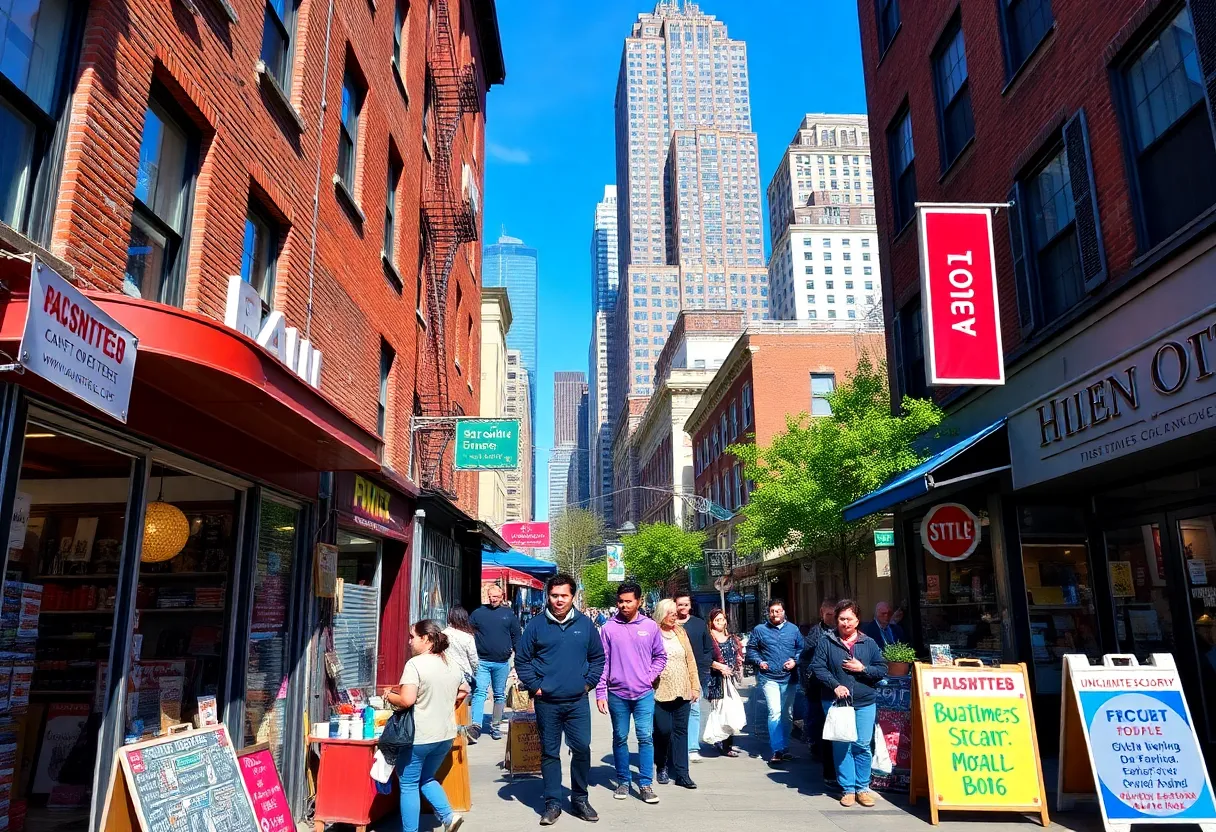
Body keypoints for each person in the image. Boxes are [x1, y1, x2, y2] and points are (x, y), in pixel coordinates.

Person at [515, 574, 607, 826]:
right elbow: (522, 659)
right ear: (548, 596)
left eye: (564, 596)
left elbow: (598, 658)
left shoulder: (585, 625)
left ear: (572, 596)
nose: (558, 600)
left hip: (577, 701)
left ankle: (580, 798)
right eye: (554, 596)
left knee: (581, 748)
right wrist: (535, 686)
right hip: (548, 702)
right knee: (550, 752)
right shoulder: (535, 625)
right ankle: (553, 802)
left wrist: (587, 683)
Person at [383, 620, 469, 832]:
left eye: (413, 636)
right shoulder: (451, 663)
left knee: (409, 784)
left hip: (419, 736)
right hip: (445, 734)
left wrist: (388, 695)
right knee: (426, 778)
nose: (409, 641)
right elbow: (464, 690)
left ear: (426, 639)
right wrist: (444, 699)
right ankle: (449, 816)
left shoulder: (415, 664)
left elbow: (406, 700)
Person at [811, 599, 888, 808]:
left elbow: (881, 669)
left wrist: (862, 668)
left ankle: (862, 788)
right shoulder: (827, 641)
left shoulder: (868, 643)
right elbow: (818, 667)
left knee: (862, 744)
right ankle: (848, 789)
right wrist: (834, 685)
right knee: (842, 744)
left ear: (857, 620)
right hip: (837, 702)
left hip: (864, 701)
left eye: (849, 619)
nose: (845, 623)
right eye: (842, 619)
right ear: (836, 620)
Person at [595, 581, 665, 804]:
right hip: (617, 695)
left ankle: (645, 783)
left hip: (644, 693)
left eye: (629, 601)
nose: (624, 605)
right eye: (621, 601)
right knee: (620, 737)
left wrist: (649, 676)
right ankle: (623, 780)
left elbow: (660, 657)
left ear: (639, 601)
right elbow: (602, 662)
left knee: (645, 737)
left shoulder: (651, 626)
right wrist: (600, 692)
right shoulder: (608, 629)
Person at [746, 598, 804, 765]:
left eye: (777, 611)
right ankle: (777, 749)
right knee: (775, 712)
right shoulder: (760, 630)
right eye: (772, 611)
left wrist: (795, 661)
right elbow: (751, 649)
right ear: (768, 612)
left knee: (788, 715)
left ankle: (784, 747)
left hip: (789, 678)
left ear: (783, 612)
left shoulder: (793, 630)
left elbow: (802, 649)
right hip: (769, 677)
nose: (774, 614)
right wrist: (759, 662)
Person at [651, 599, 700, 789]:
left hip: (683, 689)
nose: (675, 617)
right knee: (663, 731)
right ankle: (661, 765)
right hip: (660, 691)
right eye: (671, 614)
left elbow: (690, 660)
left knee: (681, 731)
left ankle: (682, 773)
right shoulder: (653, 632)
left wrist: (694, 686)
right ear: (662, 614)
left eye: (675, 614)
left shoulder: (680, 632)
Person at [469, 584, 521, 740]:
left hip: (502, 662)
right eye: (490, 596)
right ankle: (475, 726)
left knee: (499, 695)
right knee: (479, 693)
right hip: (482, 661)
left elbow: (516, 637)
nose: (493, 599)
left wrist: (519, 661)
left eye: (496, 597)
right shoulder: (478, 613)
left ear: (502, 596)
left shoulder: (509, 615)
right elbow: (469, 634)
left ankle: (495, 726)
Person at [799, 600, 837, 783]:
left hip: (835, 684)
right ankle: (816, 747)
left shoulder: (839, 632)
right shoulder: (816, 632)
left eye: (833, 615)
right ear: (822, 613)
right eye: (828, 614)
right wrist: (806, 681)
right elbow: (805, 657)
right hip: (816, 683)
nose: (831, 618)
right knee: (816, 718)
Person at [673, 591, 713, 762]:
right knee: (675, 710)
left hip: (696, 674)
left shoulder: (698, 624)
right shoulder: (669, 624)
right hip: (674, 674)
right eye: (680, 604)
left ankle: (692, 747)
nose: (683, 607)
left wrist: (704, 667)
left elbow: (707, 648)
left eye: (686, 604)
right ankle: (676, 745)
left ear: (690, 606)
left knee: (694, 710)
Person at [705, 607, 744, 757]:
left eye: (722, 619)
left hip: (730, 680)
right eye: (717, 620)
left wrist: (738, 662)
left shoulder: (731, 638)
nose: (720, 622)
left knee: (731, 710)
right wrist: (719, 667)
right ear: (712, 622)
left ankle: (727, 743)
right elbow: (706, 658)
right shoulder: (709, 638)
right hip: (716, 680)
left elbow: (737, 656)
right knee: (719, 711)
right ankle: (720, 741)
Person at [444, 606, 479, 733]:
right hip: (464, 676)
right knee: (466, 701)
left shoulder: (443, 634)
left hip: (446, 673)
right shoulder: (467, 637)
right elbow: (474, 659)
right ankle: (463, 730)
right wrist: (476, 671)